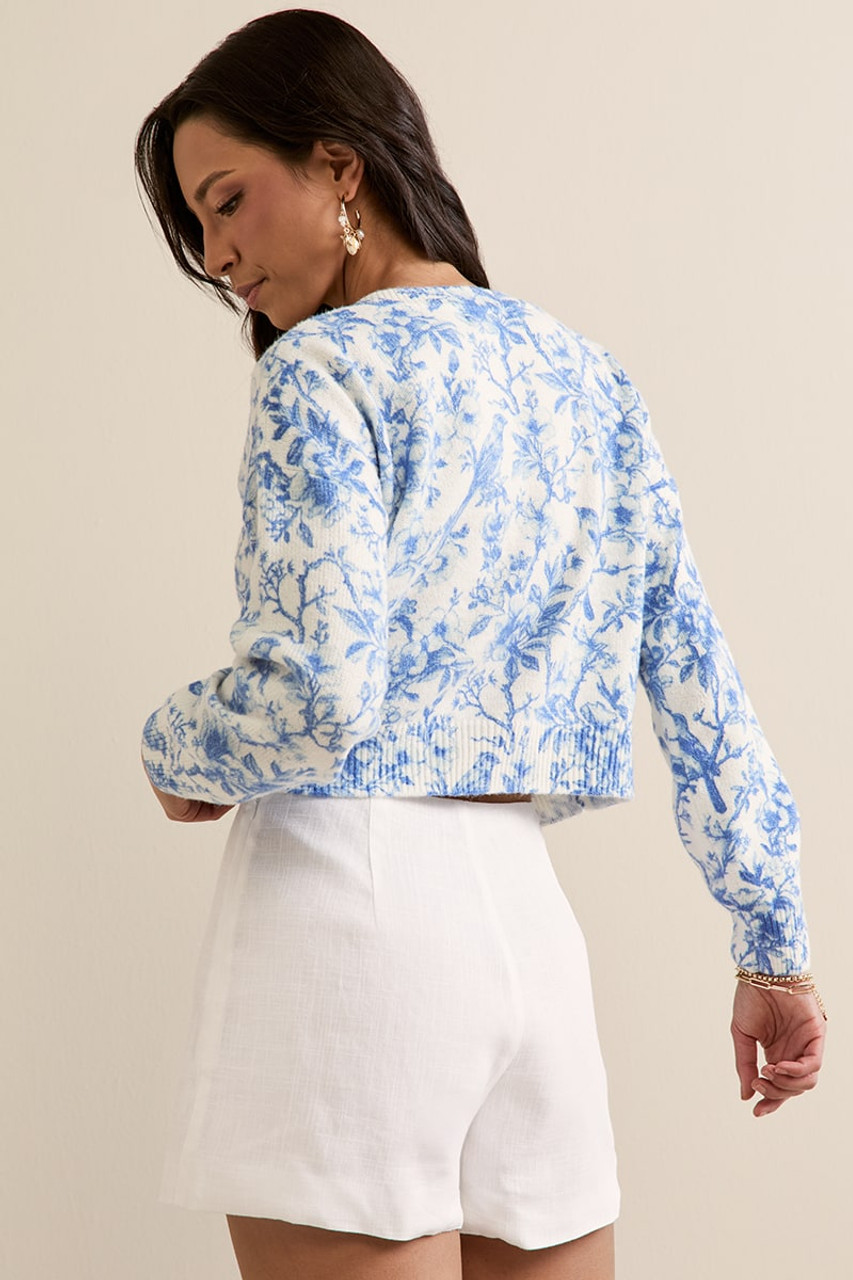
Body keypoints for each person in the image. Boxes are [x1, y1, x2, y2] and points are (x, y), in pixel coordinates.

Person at [134, 9, 826, 1280]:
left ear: (340, 165)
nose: (218, 253)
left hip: (345, 913)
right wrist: (771, 942)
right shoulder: (588, 377)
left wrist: (173, 746)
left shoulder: (322, 368)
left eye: (227, 201)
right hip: (525, 927)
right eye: (197, 227)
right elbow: (697, 680)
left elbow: (318, 695)